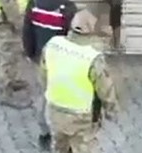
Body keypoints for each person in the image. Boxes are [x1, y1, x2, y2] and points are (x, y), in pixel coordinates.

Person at [40, 10, 118, 153]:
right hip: (81, 116)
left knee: (58, 147)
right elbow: (105, 89)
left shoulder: (52, 44)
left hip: (54, 110)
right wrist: (111, 110)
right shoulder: (93, 57)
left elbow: (44, 74)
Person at [23, 0, 78, 150]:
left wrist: (30, 53)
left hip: (41, 57)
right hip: (60, 59)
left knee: (44, 93)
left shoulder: (35, 2)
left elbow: (27, 29)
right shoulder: (68, 9)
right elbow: (72, 38)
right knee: (61, 96)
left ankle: (44, 130)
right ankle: (61, 132)